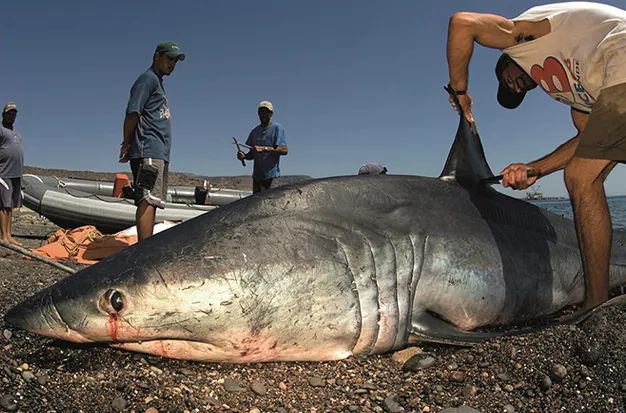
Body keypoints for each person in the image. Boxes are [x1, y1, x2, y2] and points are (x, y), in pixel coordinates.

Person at [446, 2, 626, 311]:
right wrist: (535, 169)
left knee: (580, 178)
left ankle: (596, 306)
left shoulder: (522, 38)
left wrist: (459, 94)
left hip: (620, 49)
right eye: (516, 90)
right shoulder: (572, 93)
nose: (515, 85)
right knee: (587, 171)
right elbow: (586, 142)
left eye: (510, 80)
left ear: (507, 61)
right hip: (613, 81)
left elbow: (463, 23)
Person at [119, 41, 185, 241]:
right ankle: (143, 250)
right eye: (169, 59)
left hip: (158, 151)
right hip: (148, 149)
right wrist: (127, 142)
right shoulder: (147, 80)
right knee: (147, 199)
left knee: (153, 199)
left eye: (175, 61)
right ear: (157, 56)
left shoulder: (158, 82)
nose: (172, 64)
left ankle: (145, 246)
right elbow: (133, 112)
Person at [237, 100, 288, 193]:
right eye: (261, 112)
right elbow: (252, 154)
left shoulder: (277, 128)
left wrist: (264, 149)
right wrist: (244, 156)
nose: (263, 114)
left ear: (271, 114)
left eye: (266, 112)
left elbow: (284, 150)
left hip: (272, 178)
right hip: (257, 178)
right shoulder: (254, 131)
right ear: (258, 113)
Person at [0, 102, 24, 245]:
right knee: (3, 205)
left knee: (10, 206)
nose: (12, 116)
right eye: (9, 113)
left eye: (14, 114)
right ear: (3, 114)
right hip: (3, 173)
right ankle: (3, 236)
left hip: (16, 173)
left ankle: (9, 235)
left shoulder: (16, 132)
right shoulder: (1, 130)